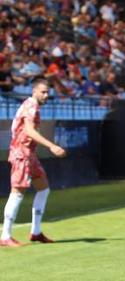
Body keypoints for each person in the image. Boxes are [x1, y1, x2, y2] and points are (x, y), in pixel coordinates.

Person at [1, 77, 67, 247]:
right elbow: (29, 131)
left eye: (48, 93)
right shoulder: (31, 105)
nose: (46, 95)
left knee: (43, 188)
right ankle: (5, 235)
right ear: (34, 91)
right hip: (21, 153)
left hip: (30, 154)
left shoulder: (33, 106)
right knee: (17, 192)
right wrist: (52, 146)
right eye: (43, 92)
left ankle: (36, 232)